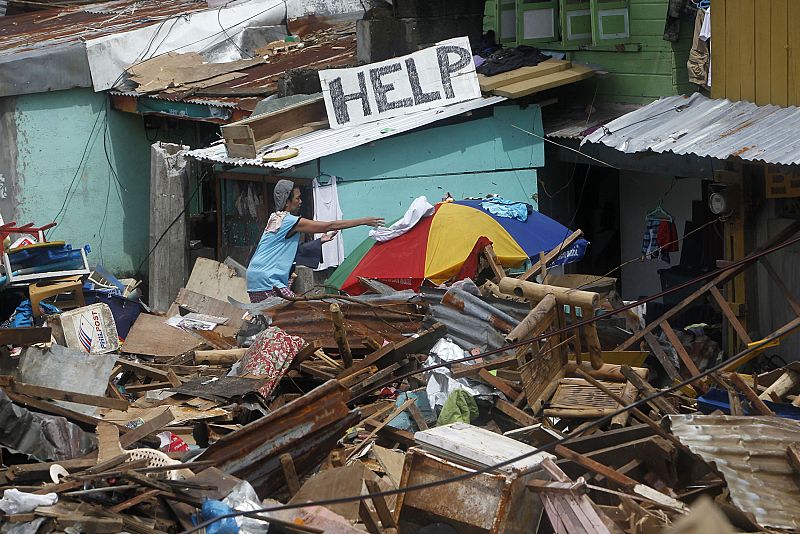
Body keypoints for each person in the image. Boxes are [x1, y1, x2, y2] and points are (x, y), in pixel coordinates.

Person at [246, 179, 384, 303]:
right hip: (268, 280)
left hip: (255, 277)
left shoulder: (274, 218)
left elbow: (292, 250)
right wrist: (363, 221)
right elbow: (329, 225)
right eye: (297, 198)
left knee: (268, 319)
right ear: (287, 202)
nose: (300, 201)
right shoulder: (290, 221)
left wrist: (320, 242)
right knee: (296, 314)